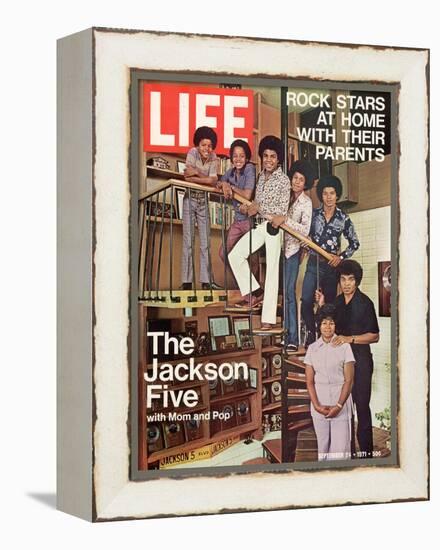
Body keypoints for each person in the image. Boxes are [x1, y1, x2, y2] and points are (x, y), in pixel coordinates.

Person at [316, 259, 380, 458]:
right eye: (343, 279)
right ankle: (349, 454)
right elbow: (326, 323)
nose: (346, 284)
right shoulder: (335, 302)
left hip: (361, 361)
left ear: (357, 281)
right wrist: (321, 305)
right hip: (341, 364)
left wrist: (349, 339)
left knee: (361, 407)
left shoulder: (366, 303)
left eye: (351, 279)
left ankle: (367, 454)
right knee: (343, 409)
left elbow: (375, 336)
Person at [228, 135, 290, 330]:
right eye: (265, 156)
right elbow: (255, 204)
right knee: (235, 255)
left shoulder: (284, 180)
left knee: (272, 272)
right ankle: (255, 292)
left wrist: (258, 208)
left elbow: (282, 210)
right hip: (259, 225)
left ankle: (268, 319)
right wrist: (248, 209)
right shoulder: (261, 176)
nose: (269, 160)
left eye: (272, 156)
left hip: (274, 227)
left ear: (278, 159)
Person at [301, 174, 360, 345]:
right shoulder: (313, 215)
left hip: (331, 268)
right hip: (313, 263)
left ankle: (324, 338)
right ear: (321, 195)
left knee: (328, 305)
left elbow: (355, 243)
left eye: (332, 193)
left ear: (337, 195)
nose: (328, 197)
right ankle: (311, 332)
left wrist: (340, 257)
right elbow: (305, 236)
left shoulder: (344, 218)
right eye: (325, 193)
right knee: (306, 300)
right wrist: (306, 244)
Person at [304, 304, 355, 461]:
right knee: (323, 451)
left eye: (331, 323)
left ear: (336, 325)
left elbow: (349, 380)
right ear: (319, 325)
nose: (328, 327)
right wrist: (317, 406)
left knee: (340, 453)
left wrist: (339, 406)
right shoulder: (312, 349)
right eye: (324, 323)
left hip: (341, 405)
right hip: (319, 406)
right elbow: (310, 382)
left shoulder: (345, 347)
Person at [180, 126, 222, 290]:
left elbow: (213, 181)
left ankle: (206, 282)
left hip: (204, 201)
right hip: (190, 200)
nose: (207, 149)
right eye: (204, 145)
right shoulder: (192, 153)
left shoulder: (214, 157)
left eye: (210, 146)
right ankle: (187, 282)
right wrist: (206, 179)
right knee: (188, 242)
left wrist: (196, 173)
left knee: (205, 243)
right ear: (198, 145)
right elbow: (187, 178)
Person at [281, 160, 314, 353]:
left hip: (292, 251)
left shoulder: (306, 203)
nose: (297, 182)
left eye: (301, 180)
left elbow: (304, 229)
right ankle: (284, 334)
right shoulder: (284, 194)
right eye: (295, 178)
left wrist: (285, 221)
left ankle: (292, 338)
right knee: (281, 294)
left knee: (290, 293)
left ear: (305, 183)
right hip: (276, 247)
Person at [218, 139, 257, 284]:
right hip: (237, 221)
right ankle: (244, 284)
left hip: (249, 220)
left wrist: (231, 187)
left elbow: (246, 195)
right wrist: (224, 184)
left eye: (242, 156)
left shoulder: (249, 169)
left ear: (247, 158)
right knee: (224, 253)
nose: (238, 159)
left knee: (252, 257)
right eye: (235, 156)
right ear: (231, 158)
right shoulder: (230, 172)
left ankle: (254, 292)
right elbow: (219, 183)